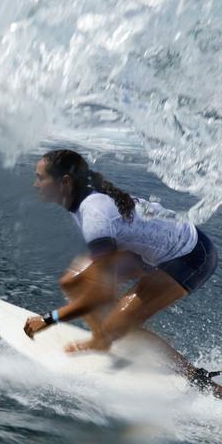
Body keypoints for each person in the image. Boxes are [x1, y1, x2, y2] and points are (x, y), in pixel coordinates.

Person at [23, 149, 220, 395]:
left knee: (114, 325)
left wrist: (49, 318)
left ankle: (198, 379)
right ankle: (103, 339)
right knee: (72, 282)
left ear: (64, 182)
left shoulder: (94, 214)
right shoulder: (81, 199)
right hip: (149, 251)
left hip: (190, 256)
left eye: (40, 178)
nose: (35, 184)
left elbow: (100, 295)